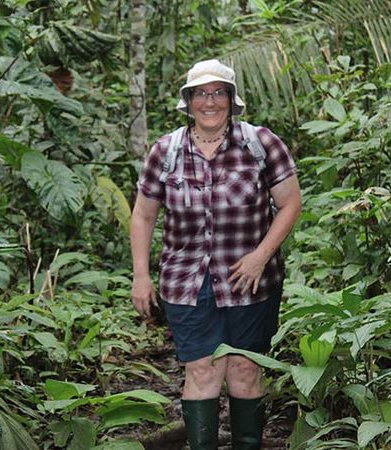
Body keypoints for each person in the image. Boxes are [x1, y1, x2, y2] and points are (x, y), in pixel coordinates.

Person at [130, 59, 301, 449]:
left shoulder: (261, 144)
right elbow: (143, 215)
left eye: (219, 92)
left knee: (244, 370)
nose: (211, 101)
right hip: (187, 282)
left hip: (252, 282)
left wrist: (261, 255)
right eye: (201, 94)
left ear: (232, 99)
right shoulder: (166, 151)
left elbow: (290, 204)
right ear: (188, 101)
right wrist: (141, 275)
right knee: (203, 372)